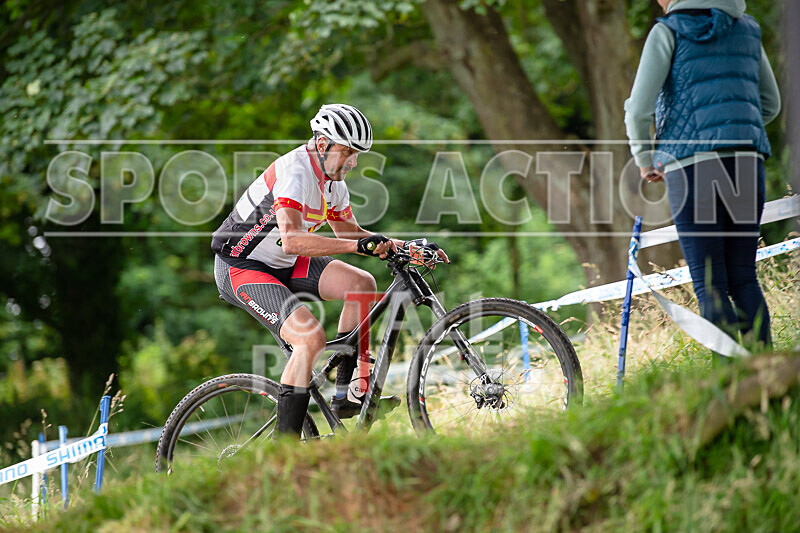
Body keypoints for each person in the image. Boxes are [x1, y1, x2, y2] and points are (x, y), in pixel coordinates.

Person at [211, 104, 447, 437]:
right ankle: (284, 447)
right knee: (310, 339)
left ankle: (346, 395)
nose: (353, 162)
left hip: (283, 262)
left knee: (361, 283)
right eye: (348, 152)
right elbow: (293, 240)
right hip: (241, 265)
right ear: (322, 144)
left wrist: (406, 247)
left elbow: (351, 234)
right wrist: (357, 247)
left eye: (357, 154)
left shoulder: (333, 182)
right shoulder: (295, 173)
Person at [624, 0, 781, 351]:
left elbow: (637, 110)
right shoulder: (747, 28)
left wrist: (646, 160)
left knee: (710, 285)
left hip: (692, 167)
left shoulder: (667, 32)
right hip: (747, 160)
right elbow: (770, 103)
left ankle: (728, 376)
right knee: (744, 278)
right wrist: (734, 131)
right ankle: (768, 371)